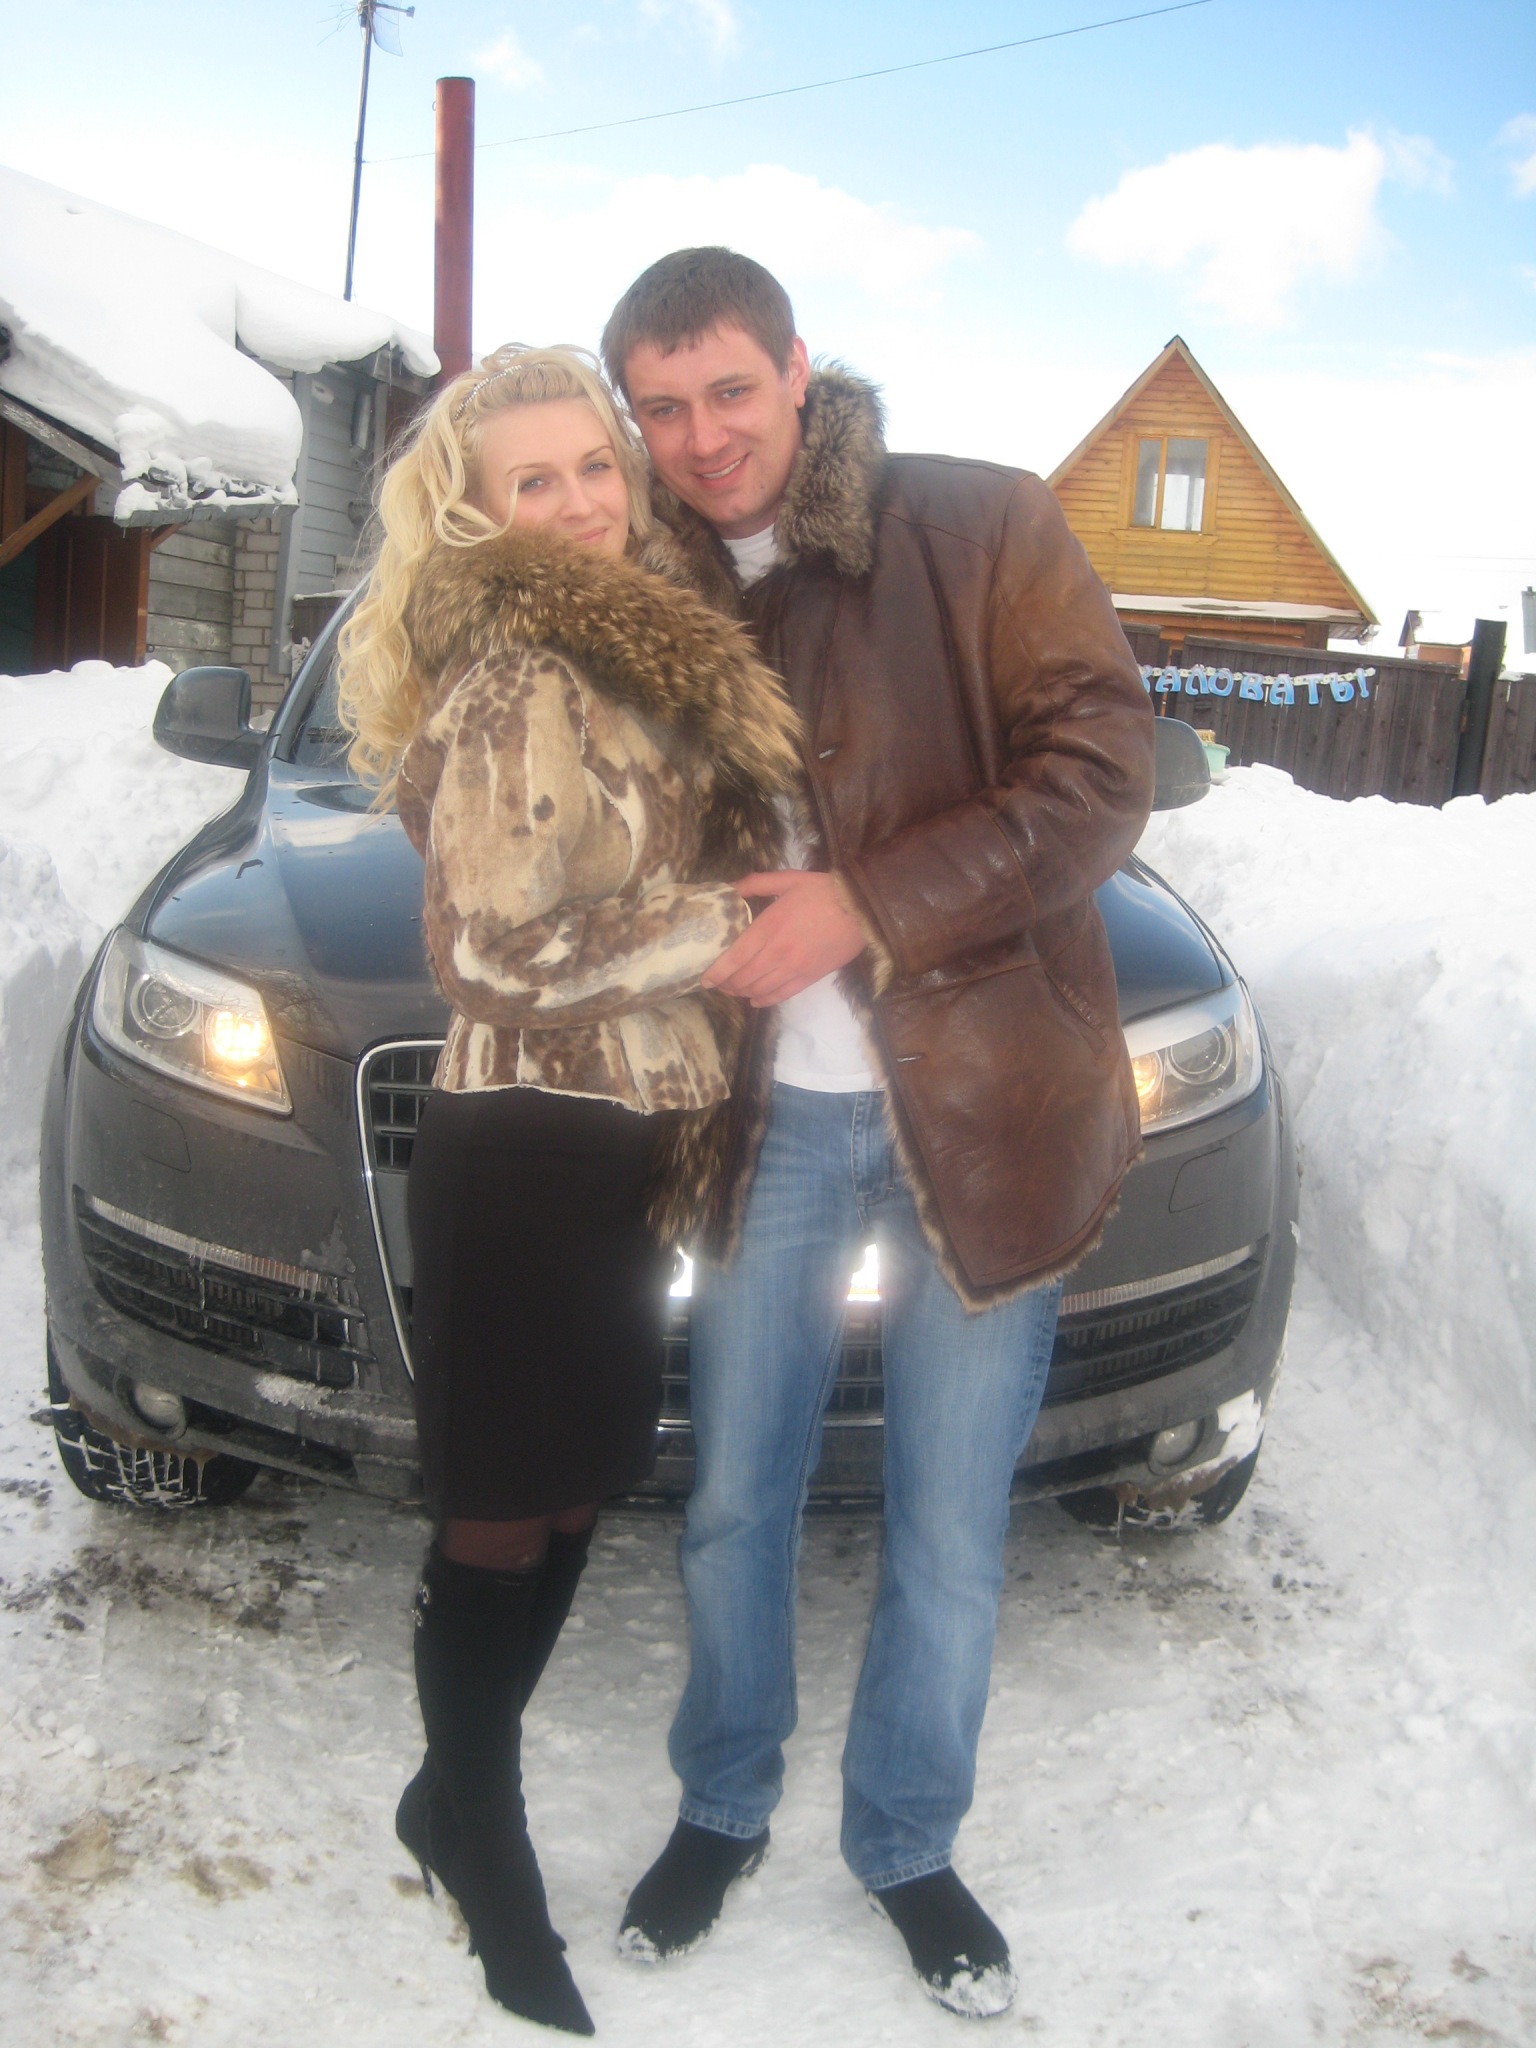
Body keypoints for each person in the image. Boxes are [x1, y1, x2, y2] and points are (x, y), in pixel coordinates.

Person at [600, 251, 1156, 2017]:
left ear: (797, 370)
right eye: (663, 408)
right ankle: (722, 1801)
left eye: (730, 392)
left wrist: (871, 904)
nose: (703, 439)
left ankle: (909, 1843)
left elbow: (1102, 779)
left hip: (983, 1117)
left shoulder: (979, 527)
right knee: (732, 1503)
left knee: (948, 1531)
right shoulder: (641, 590)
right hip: (759, 1125)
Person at [336, 344, 801, 2036]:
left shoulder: (631, 643)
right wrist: (718, 925)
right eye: (535, 481)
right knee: (501, 1513)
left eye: (595, 465)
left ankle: (443, 1800)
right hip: (527, 1141)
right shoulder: (522, 669)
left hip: (617, 1143)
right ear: (479, 511)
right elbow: (487, 952)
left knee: (577, 1492)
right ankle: (492, 1863)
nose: (585, 501)